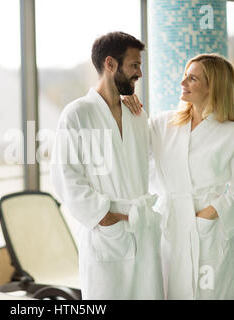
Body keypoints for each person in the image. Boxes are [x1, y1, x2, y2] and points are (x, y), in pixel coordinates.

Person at [123, 53, 234, 299]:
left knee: (208, 293)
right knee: (169, 290)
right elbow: (133, 150)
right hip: (169, 226)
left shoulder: (231, 133)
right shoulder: (163, 124)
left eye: (192, 78)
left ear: (212, 86)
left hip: (207, 230)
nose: (183, 83)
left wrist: (208, 214)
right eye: (185, 76)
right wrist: (126, 105)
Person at [49, 31, 163, 300]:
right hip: (107, 233)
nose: (139, 73)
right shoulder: (78, 114)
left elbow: (151, 164)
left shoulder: (137, 114)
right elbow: (65, 176)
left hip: (143, 229)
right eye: (134, 65)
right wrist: (105, 215)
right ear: (110, 64)